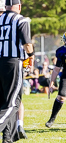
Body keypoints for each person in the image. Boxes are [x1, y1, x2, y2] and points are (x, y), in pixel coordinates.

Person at [0, 0, 34, 142]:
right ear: (19, 6)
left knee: (4, 100)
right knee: (14, 102)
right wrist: (31, 56)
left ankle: (8, 138)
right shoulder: (21, 19)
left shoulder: (0, 19)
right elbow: (27, 43)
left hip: (0, 61)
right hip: (13, 62)